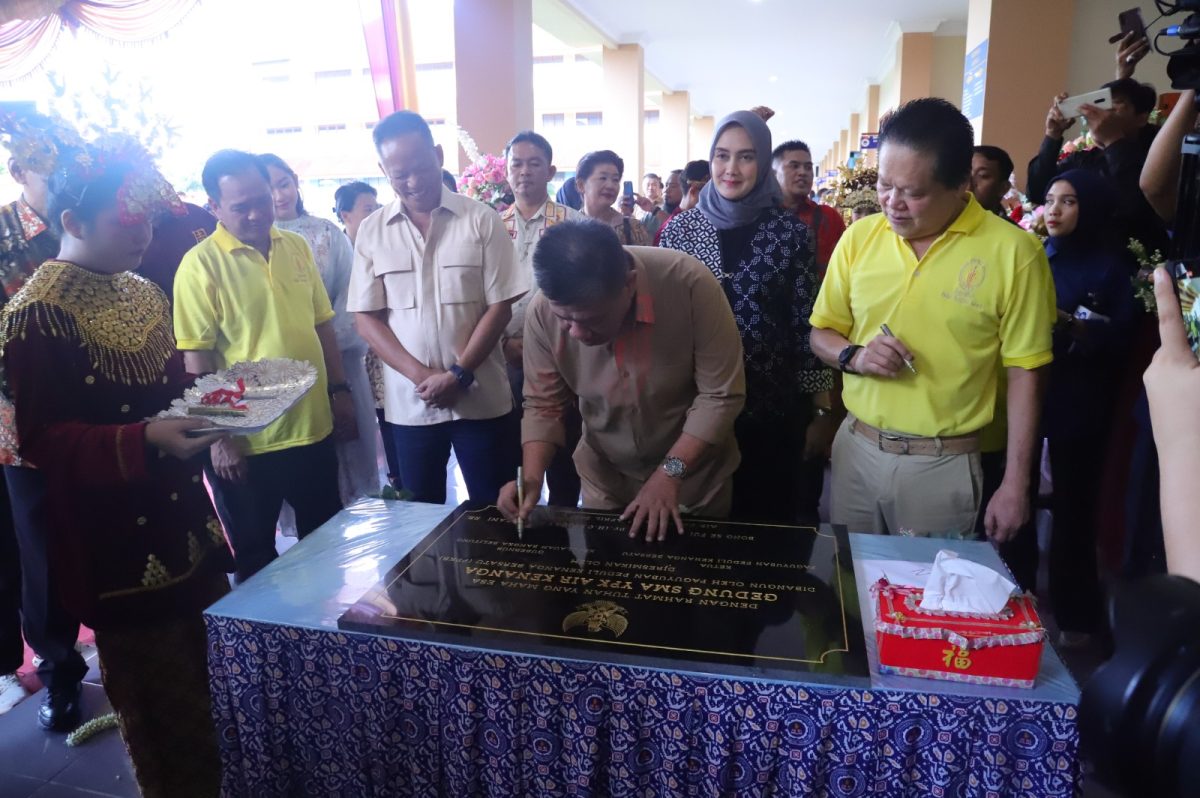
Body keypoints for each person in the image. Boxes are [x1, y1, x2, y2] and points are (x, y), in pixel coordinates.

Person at [1, 137, 233, 796]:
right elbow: (43, 439)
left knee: (207, 682)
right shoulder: (37, 315)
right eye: (127, 224)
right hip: (116, 538)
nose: (146, 237)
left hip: (182, 515)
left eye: (151, 221)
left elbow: (165, 396)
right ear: (72, 223)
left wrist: (213, 412)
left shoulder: (139, 289)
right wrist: (145, 438)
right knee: (159, 704)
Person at [810, 98, 1056, 540]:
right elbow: (821, 332)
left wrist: (1017, 483)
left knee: (929, 599)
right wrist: (856, 356)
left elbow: (1026, 373)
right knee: (848, 590)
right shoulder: (860, 238)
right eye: (885, 185)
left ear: (962, 183)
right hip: (857, 450)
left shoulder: (1014, 254)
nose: (893, 203)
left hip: (943, 465)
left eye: (914, 192)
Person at [497, 220, 745, 541]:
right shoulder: (543, 311)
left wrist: (669, 474)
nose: (577, 333)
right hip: (606, 477)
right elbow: (544, 405)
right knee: (609, 576)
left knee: (692, 577)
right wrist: (530, 479)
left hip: (695, 480)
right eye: (565, 320)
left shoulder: (688, 283)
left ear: (629, 284)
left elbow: (720, 396)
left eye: (592, 320)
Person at [174, 149, 352, 582]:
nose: (256, 213)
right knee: (256, 560)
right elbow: (197, 363)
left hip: (311, 427)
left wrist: (340, 393)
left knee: (326, 547)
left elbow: (322, 327)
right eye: (241, 207)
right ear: (214, 207)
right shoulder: (199, 266)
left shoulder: (296, 247)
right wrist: (218, 439)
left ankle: (325, 642)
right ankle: (268, 650)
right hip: (247, 443)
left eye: (262, 199)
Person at [660, 111, 832, 525]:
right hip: (695, 408)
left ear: (763, 163)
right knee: (698, 527)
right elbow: (665, 325)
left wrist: (821, 411)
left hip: (772, 410)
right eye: (721, 156)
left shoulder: (789, 233)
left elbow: (804, 324)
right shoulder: (680, 232)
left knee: (768, 526)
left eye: (745, 157)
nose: (730, 169)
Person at [347, 111, 527, 505]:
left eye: (421, 168)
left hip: (482, 400)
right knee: (418, 515)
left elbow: (500, 306)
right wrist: (423, 376)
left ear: (439, 155)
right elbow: (366, 318)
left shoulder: (480, 220)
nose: (413, 183)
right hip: (413, 405)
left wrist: (459, 373)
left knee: (496, 508)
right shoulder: (373, 231)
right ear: (383, 170)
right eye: (399, 175)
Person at [0, 107, 88, 729]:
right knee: (44, 554)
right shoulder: (5, 235)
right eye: (46, 166)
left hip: (100, 412)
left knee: (108, 530)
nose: (58, 177)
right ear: (18, 169)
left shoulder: (86, 222)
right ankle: (59, 675)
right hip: (23, 424)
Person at [1041, 171, 1137, 646]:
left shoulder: (1110, 268)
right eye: (1050, 200)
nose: (1054, 210)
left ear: (1092, 207)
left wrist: (1072, 323)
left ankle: (1076, 615)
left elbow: (1122, 338)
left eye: (1069, 201)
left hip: (1080, 400)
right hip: (1029, 393)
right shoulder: (1036, 257)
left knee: (1074, 511)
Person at [261, 154, 378, 504]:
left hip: (339, 363)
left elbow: (350, 301)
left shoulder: (328, 234)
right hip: (283, 374)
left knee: (349, 465)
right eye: (268, 189)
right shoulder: (255, 244)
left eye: (283, 184)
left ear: (295, 182)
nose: (279, 195)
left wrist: (318, 348)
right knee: (303, 482)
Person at [500, 131, 583, 507]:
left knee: (564, 458)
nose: (524, 171)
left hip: (561, 355)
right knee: (512, 455)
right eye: (516, 163)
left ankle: (565, 537)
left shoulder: (573, 224)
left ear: (550, 171)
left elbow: (586, 295)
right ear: (505, 171)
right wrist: (502, 345)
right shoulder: (491, 226)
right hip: (502, 358)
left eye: (534, 164)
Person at [1027, 78, 1167, 254]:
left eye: (1114, 107)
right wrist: (1052, 135)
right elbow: (1037, 191)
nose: (1103, 114)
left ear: (1141, 118)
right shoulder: (1083, 160)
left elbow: (1134, 208)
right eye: (1101, 105)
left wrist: (1113, 141)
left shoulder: (1156, 160)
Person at [334, 181, 400, 489]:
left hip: (385, 356)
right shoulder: (339, 251)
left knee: (391, 424)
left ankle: (397, 479)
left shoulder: (384, 245)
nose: (375, 215)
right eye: (367, 210)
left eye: (377, 209)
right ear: (346, 215)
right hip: (351, 356)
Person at [773, 139, 847, 277]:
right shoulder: (763, 217)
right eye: (794, 166)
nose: (803, 172)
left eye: (808, 167)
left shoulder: (830, 217)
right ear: (773, 174)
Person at [575, 150, 652, 246]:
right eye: (603, 178)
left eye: (615, 180)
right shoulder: (569, 228)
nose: (610, 186)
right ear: (581, 185)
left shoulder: (634, 228)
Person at [970, 145, 1014, 217]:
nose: (969, 183)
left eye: (982, 175)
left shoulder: (1006, 228)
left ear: (1003, 188)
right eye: (964, 174)